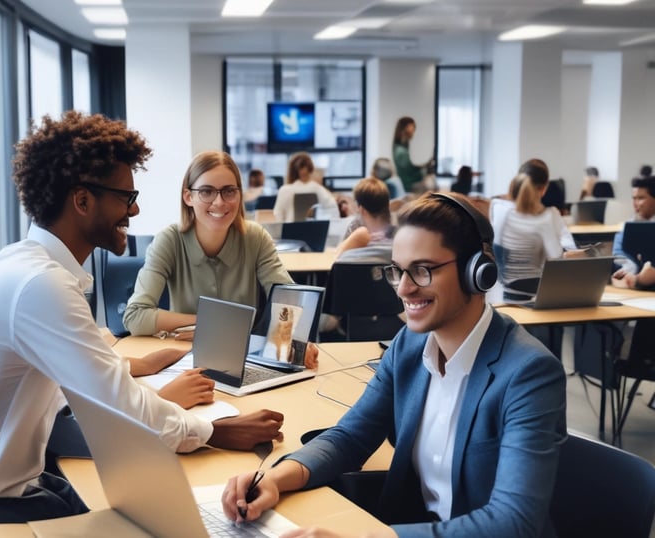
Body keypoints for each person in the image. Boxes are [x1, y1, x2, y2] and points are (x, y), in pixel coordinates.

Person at [0, 112, 285, 538]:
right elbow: (119, 404)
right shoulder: (39, 284)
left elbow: (97, 380)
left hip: (6, 493)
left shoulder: (27, 264)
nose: (135, 208)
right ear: (82, 201)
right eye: (126, 196)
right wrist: (213, 430)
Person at [222, 192, 567, 536]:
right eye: (398, 271)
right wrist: (277, 478)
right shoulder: (410, 345)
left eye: (422, 270)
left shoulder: (529, 373)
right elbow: (350, 437)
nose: (403, 288)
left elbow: (514, 522)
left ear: (476, 272)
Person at [122, 150, 318, 370]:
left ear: (239, 194)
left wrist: (297, 339)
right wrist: (207, 323)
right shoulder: (169, 240)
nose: (219, 202)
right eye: (206, 191)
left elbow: (288, 301)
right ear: (188, 197)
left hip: (246, 361)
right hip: (186, 362)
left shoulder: (255, 237)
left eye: (229, 191)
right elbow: (135, 316)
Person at [490, 158, 583, 300]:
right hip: (542, 293)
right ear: (544, 188)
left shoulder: (498, 209)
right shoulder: (549, 216)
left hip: (502, 295)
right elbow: (563, 252)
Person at [335, 177, 396, 261]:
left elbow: (336, 260)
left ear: (362, 210)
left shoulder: (358, 231)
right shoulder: (402, 230)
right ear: (387, 205)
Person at [272, 151, 337, 222]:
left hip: (289, 230)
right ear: (311, 170)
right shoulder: (316, 188)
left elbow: (278, 215)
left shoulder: (284, 190)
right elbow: (333, 207)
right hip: (313, 230)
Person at [611, 176, 655, 275]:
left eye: (640, 198)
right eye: (634, 198)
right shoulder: (628, 226)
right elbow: (619, 253)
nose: (635, 203)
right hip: (638, 281)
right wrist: (629, 270)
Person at [392, 116, 434, 194]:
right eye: (412, 127)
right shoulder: (401, 151)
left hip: (409, 184)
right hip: (409, 186)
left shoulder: (401, 149)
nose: (413, 130)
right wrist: (424, 170)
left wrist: (424, 166)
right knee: (432, 184)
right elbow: (409, 172)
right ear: (405, 128)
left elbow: (409, 168)